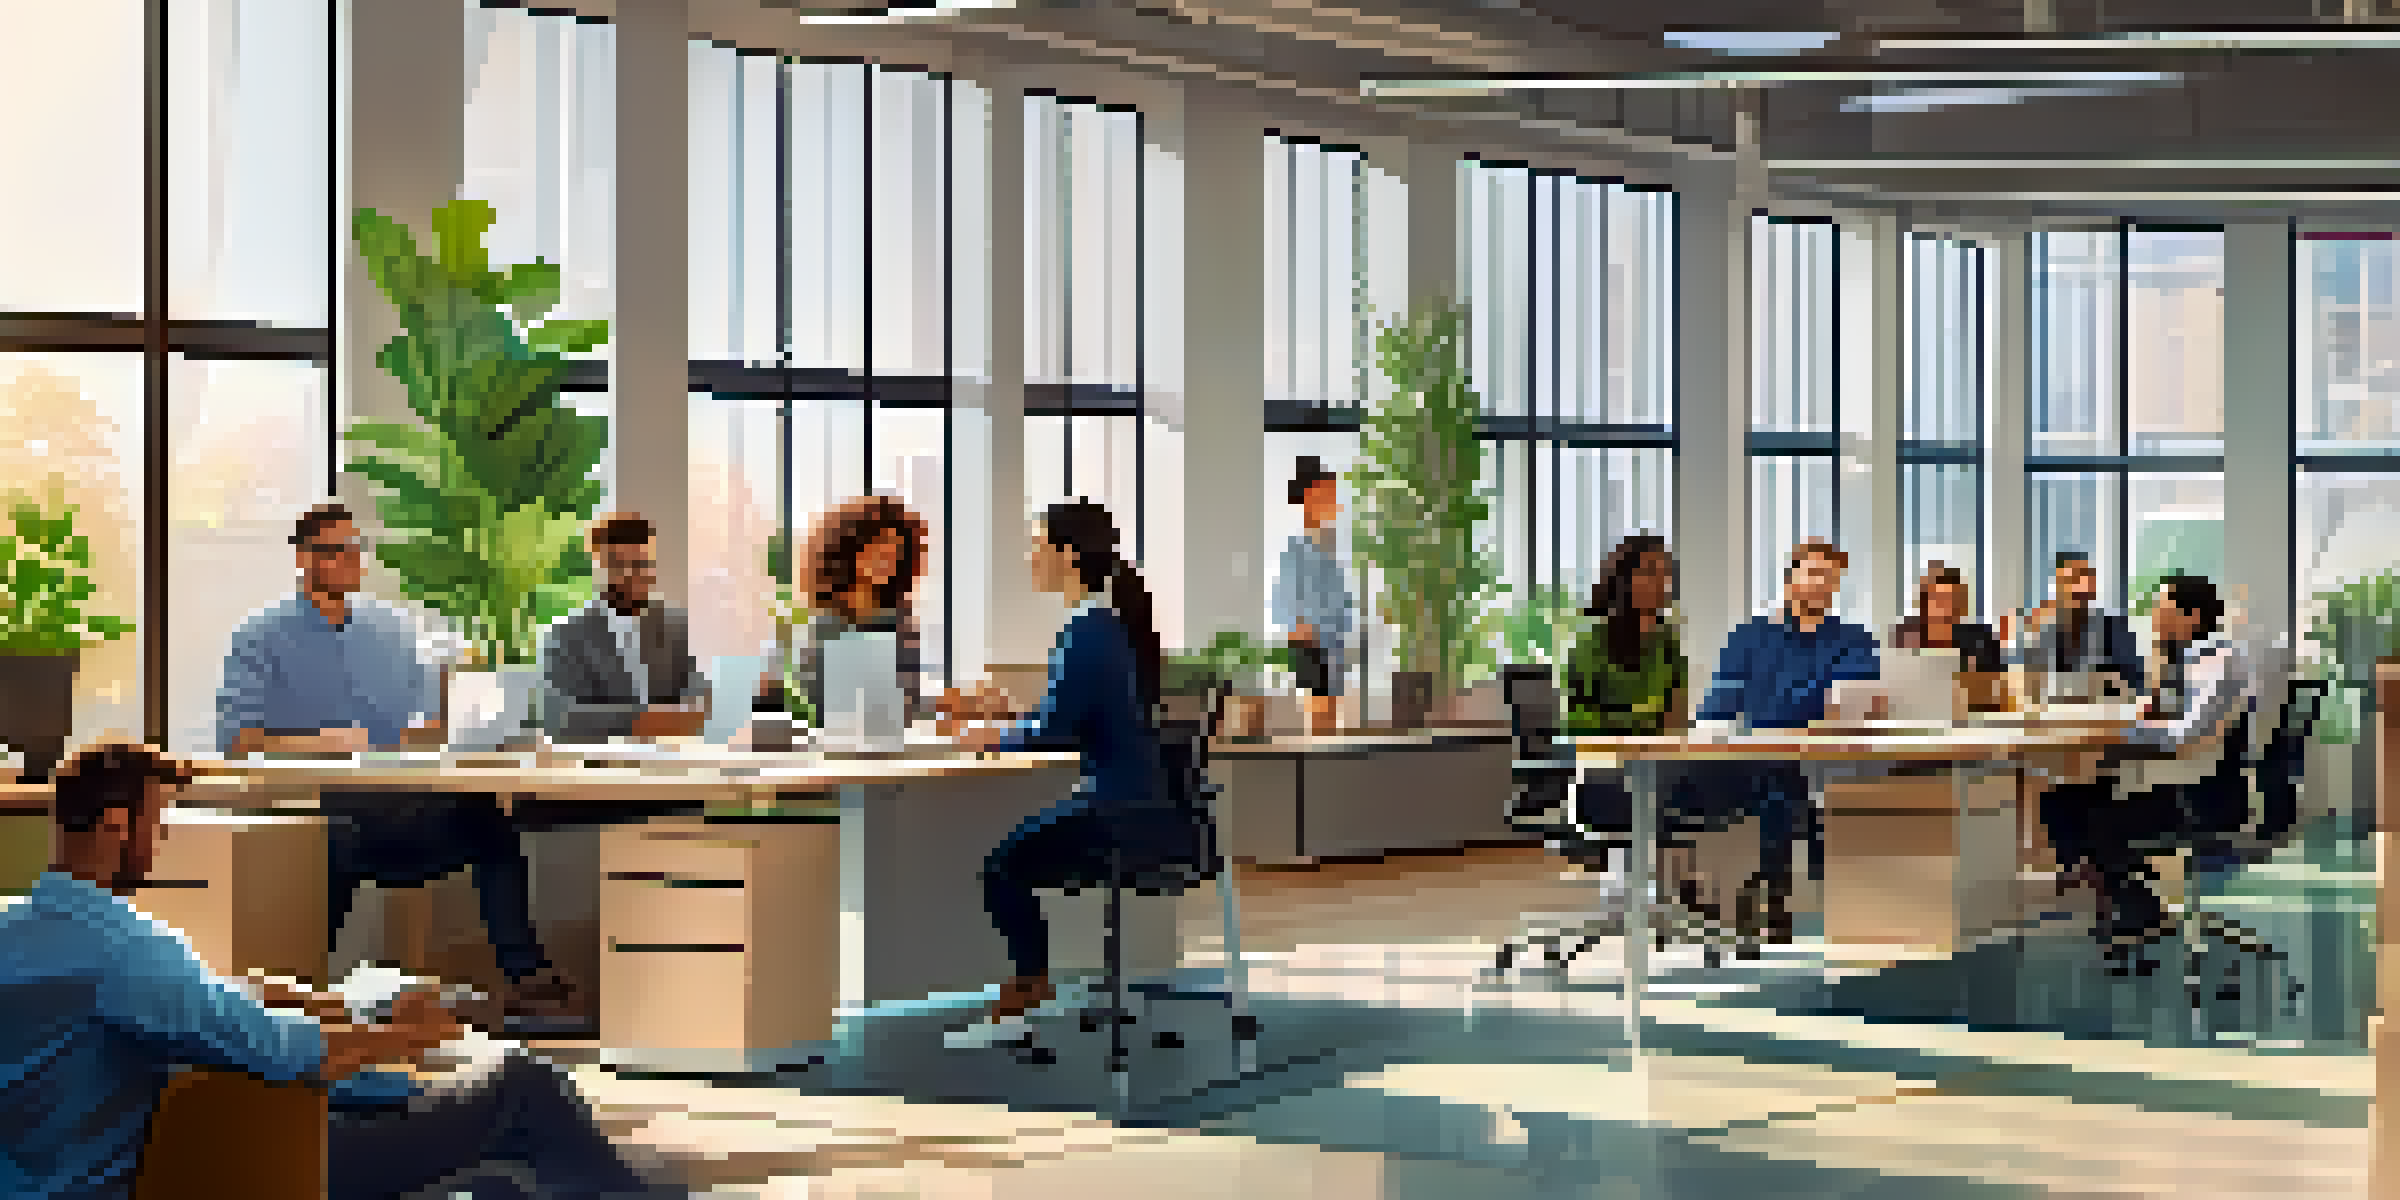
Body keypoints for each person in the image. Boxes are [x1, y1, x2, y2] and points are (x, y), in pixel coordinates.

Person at [0, 742, 675, 1200]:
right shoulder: (123, 950)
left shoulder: (19, 927)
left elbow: (174, 1005)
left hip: (64, 1166)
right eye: (158, 823)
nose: (162, 840)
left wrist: (300, 998)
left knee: (498, 1175)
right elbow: (286, 1051)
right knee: (524, 1086)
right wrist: (405, 1038)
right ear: (118, 826)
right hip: (221, 1158)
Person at [217, 503, 578, 1021]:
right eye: (336, 551)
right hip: (318, 814)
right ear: (303, 557)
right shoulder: (259, 636)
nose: (350, 561)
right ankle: (295, 998)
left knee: (488, 822)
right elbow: (236, 742)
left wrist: (475, 728)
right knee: (330, 840)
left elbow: (423, 728)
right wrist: (319, 742)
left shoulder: (391, 629)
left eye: (356, 550)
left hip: (400, 810)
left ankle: (527, 981)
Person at [936, 500, 1171, 1049]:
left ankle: (1027, 993)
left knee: (1004, 868)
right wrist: (1010, 720)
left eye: (1037, 545)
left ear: (1067, 555)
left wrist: (992, 737)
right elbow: (1061, 718)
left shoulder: (1088, 628)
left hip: (1113, 810)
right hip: (1142, 806)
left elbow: (1054, 730)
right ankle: (1029, 989)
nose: (1030, 557)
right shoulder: (1103, 624)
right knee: (1014, 861)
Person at [2044, 574, 2254, 948]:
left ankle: (2136, 905)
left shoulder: (2215, 661)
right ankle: (2128, 894)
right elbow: (2161, 713)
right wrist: (2159, 653)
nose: (2154, 614)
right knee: (2068, 798)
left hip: (2202, 798)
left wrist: (2125, 734)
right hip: (2197, 784)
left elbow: (2185, 734)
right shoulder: (2194, 658)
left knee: (2089, 814)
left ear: (2191, 617)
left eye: (2162, 607)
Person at [1692, 539, 1882, 949]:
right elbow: (1716, 707)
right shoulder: (1750, 637)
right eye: (1813, 574)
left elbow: (1856, 701)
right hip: (1761, 759)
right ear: (1790, 578)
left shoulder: (1853, 639)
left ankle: (1791, 900)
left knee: (1807, 786)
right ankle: (1785, 900)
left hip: (1831, 758)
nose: (1821, 585)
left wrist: (1806, 710)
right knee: (1781, 784)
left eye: (1830, 578)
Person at [1557, 535, 1723, 918]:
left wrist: (1668, 728)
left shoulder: (1667, 642)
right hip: (1603, 775)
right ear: (1623, 580)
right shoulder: (1591, 643)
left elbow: (1674, 718)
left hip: (1657, 766)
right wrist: (1641, 722)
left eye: (1666, 573)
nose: (1661, 582)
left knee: (1737, 775)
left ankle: (1703, 890)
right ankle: (1678, 885)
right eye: (1649, 572)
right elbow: (1580, 722)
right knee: (1680, 789)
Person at [752, 496, 931, 727]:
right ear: (849, 549)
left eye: (894, 553)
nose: (886, 561)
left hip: (880, 738)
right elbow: (778, 699)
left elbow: (909, 703)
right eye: (878, 549)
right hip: (815, 738)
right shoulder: (813, 622)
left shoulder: (900, 624)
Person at [539, 513, 711, 743]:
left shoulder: (674, 628)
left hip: (671, 757)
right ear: (601, 566)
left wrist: (692, 712)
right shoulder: (567, 636)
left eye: (642, 565)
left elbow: (697, 696)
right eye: (621, 565)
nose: (633, 575)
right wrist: (639, 721)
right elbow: (561, 719)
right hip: (601, 761)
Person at [1272, 456, 1355, 731]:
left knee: (1330, 713)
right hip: (1310, 642)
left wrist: (1346, 625)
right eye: (1326, 496)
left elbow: (1340, 597)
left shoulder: (1330, 546)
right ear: (1310, 497)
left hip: (1332, 641)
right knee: (1318, 714)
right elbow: (1284, 595)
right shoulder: (1296, 546)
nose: (1333, 503)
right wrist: (1296, 627)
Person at [2011, 551, 2147, 701]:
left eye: (2082, 578)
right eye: (2068, 580)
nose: (2076, 587)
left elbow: (2138, 684)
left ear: (2092, 585)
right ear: (2058, 586)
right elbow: (2024, 684)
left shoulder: (2113, 629)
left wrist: (2107, 683)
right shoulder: (2042, 630)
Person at [1891, 562, 2004, 673]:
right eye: (1939, 599)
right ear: (1924, 602)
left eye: (1953, 600)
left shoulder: (1982, 639)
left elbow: (1997, 678)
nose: (1946, 607)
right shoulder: (1904, 635)